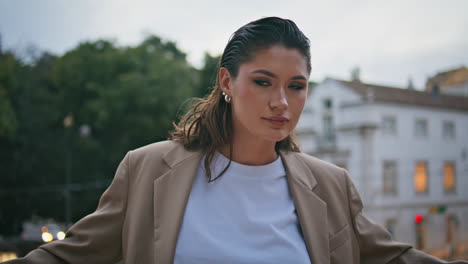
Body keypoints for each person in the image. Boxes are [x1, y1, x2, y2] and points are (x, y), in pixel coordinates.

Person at [4, 17, 467, 264]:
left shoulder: (331, 186)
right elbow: (67, 257)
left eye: (297, 86)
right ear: (226, 82)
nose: (282, 102)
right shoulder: (146, 170)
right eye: (264, 82)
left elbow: (395, 259)